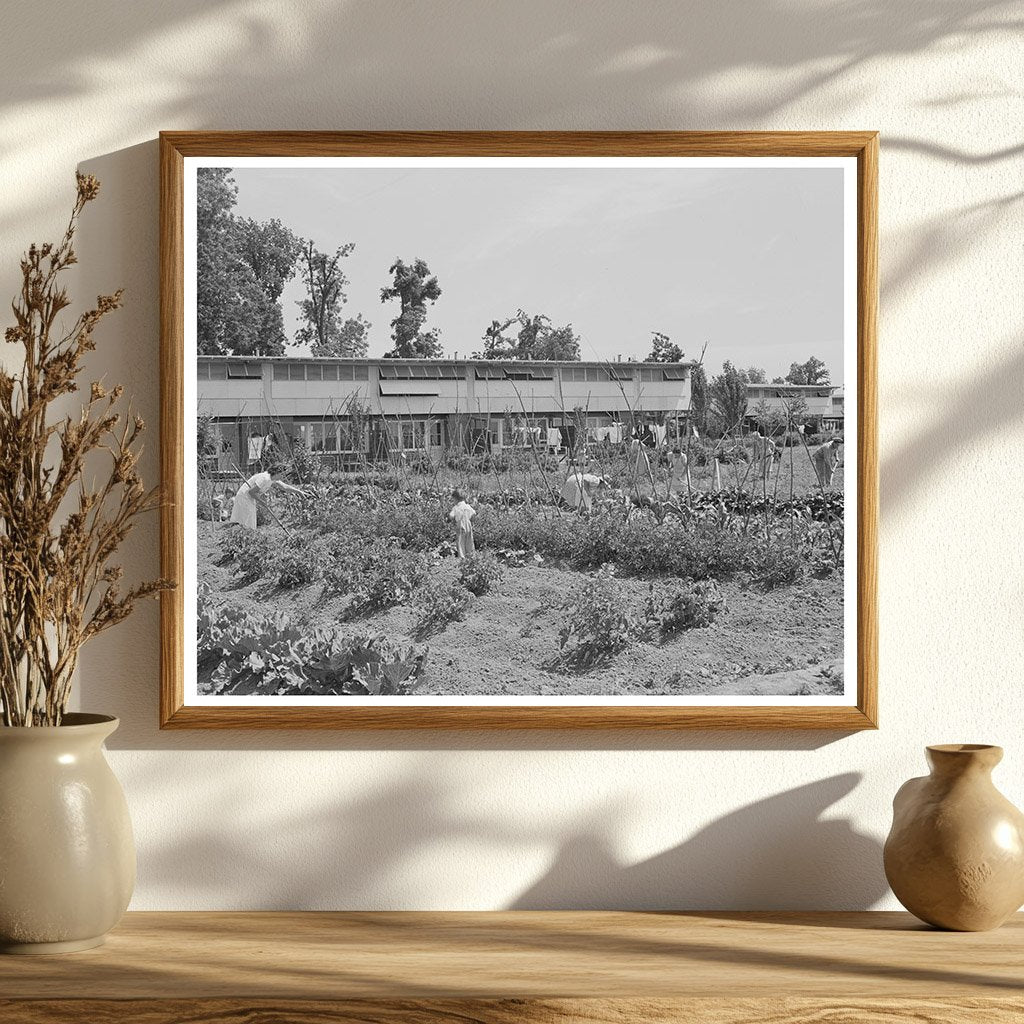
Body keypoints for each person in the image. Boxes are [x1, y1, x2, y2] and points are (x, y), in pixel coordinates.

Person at [229, 467, 307, 530]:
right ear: (277, 473)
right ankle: (240, 537)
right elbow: (251, 492)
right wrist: (261, 501)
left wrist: (299, 492)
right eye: (282, 475)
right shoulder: (265, 478)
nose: (282, 477)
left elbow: (285, 487)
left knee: (249, 521)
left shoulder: (272, 479)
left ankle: (243, 536)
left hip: (249, 497)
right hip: (244, 497)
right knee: (246, 521)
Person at [449, 489, 477, 557]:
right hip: (468, 525)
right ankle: (471, 556)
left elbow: (451, 516)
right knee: (469, 541)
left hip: (460, 526)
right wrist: (471, 520)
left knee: (460, 541)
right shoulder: (468, 506)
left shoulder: (456, 507)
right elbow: (474, 514)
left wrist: (452, 519)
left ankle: (462, 557)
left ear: (455, 499)